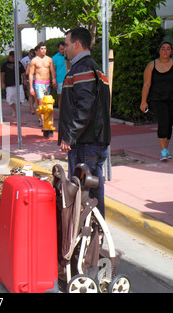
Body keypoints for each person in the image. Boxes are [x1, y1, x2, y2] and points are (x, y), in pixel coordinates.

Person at [58, 27, 111, 218]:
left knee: (84, 193)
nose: (64, 48)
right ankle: (94, 237)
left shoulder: (82, 69)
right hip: (93, 141)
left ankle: (90, 238)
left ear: (77, 44)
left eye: (66, 43)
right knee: (93, 190)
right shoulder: (94, 68)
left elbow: (85, 106)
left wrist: (69, 135)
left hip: (85, 143)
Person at [140, 41, 173, 161]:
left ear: (171, 51)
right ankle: (163, 151)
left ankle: (166, 149)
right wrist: (143, 101)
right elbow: (147, 85)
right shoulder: (151, 65)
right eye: (163, 48)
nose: (165, 51)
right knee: (163, 123)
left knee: (169, 125)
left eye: (168, 49)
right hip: (157, 99)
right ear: (159, 51)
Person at [28, 42, 57, 126]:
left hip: (47, 83)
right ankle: (42, 119)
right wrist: (31, 87)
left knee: (47, 102)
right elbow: (31, 74)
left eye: (45, 49)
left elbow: (52, 71)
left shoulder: (49, 59)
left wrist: (54, 79)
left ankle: (46, 117)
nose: (43, 51)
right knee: (40, 101)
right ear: (38, 50)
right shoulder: (34, 61)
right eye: (42, 49)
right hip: (38, 83)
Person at [1, 51, 26, 117]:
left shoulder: (19, 63)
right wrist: (2, 82)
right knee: (10, 98)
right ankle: (14, 111)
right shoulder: (5, 64)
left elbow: (23, 73)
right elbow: (2, 74)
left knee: (21, 98)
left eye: (14, 56)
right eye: (12, 56)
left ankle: (17, 109)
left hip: (18, 84)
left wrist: (25, 80)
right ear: (10, 56)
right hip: (9, 84)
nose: (13, 58)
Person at [52, 41, 68, 106]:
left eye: (64, 49)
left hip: (69, 80)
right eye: (61, 49)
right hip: (60, 81)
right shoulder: (55, 58)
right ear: (58, 49)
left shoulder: (69, 56)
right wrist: (54, 81)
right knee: (61, 98)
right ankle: (61, 114)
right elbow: (53, 70)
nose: (63, 51)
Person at [22, 49, 37, 113]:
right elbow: (24, 72)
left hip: (37, 79)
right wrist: (25, 80)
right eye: (31, 56)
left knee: (35, 95)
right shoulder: (24, 60)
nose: (32, 57)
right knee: (31, 94)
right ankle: (31, 107)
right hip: (29, 79)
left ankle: (33, 106)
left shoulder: (37, 59)